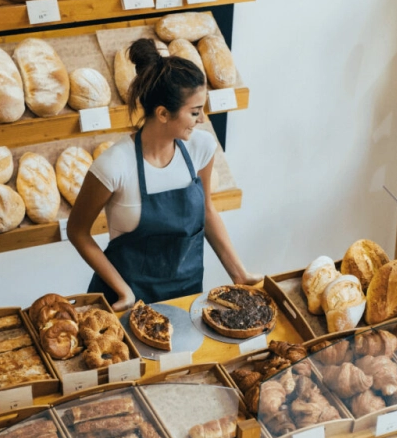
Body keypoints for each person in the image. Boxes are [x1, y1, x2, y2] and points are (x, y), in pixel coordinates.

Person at [68, 38, 260, 311]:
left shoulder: (201, 148)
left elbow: (206, 210)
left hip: (185, 298)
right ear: (162, 113)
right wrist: (123, 291)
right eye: (195, 112)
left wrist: (239, 273)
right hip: (126, 304)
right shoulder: (114, 166)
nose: (202, 119)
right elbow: (77, 231)